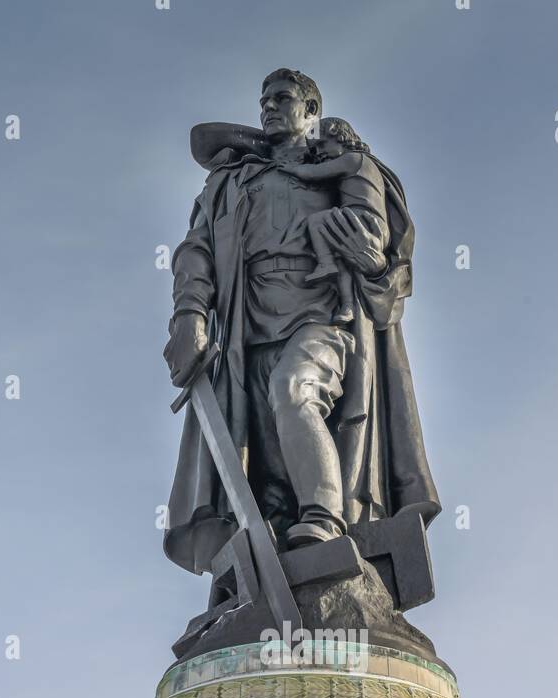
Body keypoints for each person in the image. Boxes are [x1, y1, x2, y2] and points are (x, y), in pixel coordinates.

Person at [163, 67, 441, 569]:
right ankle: (273, 566)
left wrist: (372, 257)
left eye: (283, 98)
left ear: (311, 111)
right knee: (262, 462)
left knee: (295, 390)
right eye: (263, 100)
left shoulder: (346, 166)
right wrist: (189, 311)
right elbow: (195, 251)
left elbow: (380, 246)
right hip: (246, 326)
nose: (269, 107)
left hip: (322, 312)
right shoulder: (231, 181)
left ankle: (324, 521)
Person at [293, 117, 389, 324]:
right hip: (373, 225)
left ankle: (325, 264)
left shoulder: (353, 159)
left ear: (341, 137)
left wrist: (292, 169)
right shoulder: (370, 164)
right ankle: (347, 306)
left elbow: (314, 173)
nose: (318, 153)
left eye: (321, 144)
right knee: (341, 257)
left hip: (359, 219)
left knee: (317, 221)